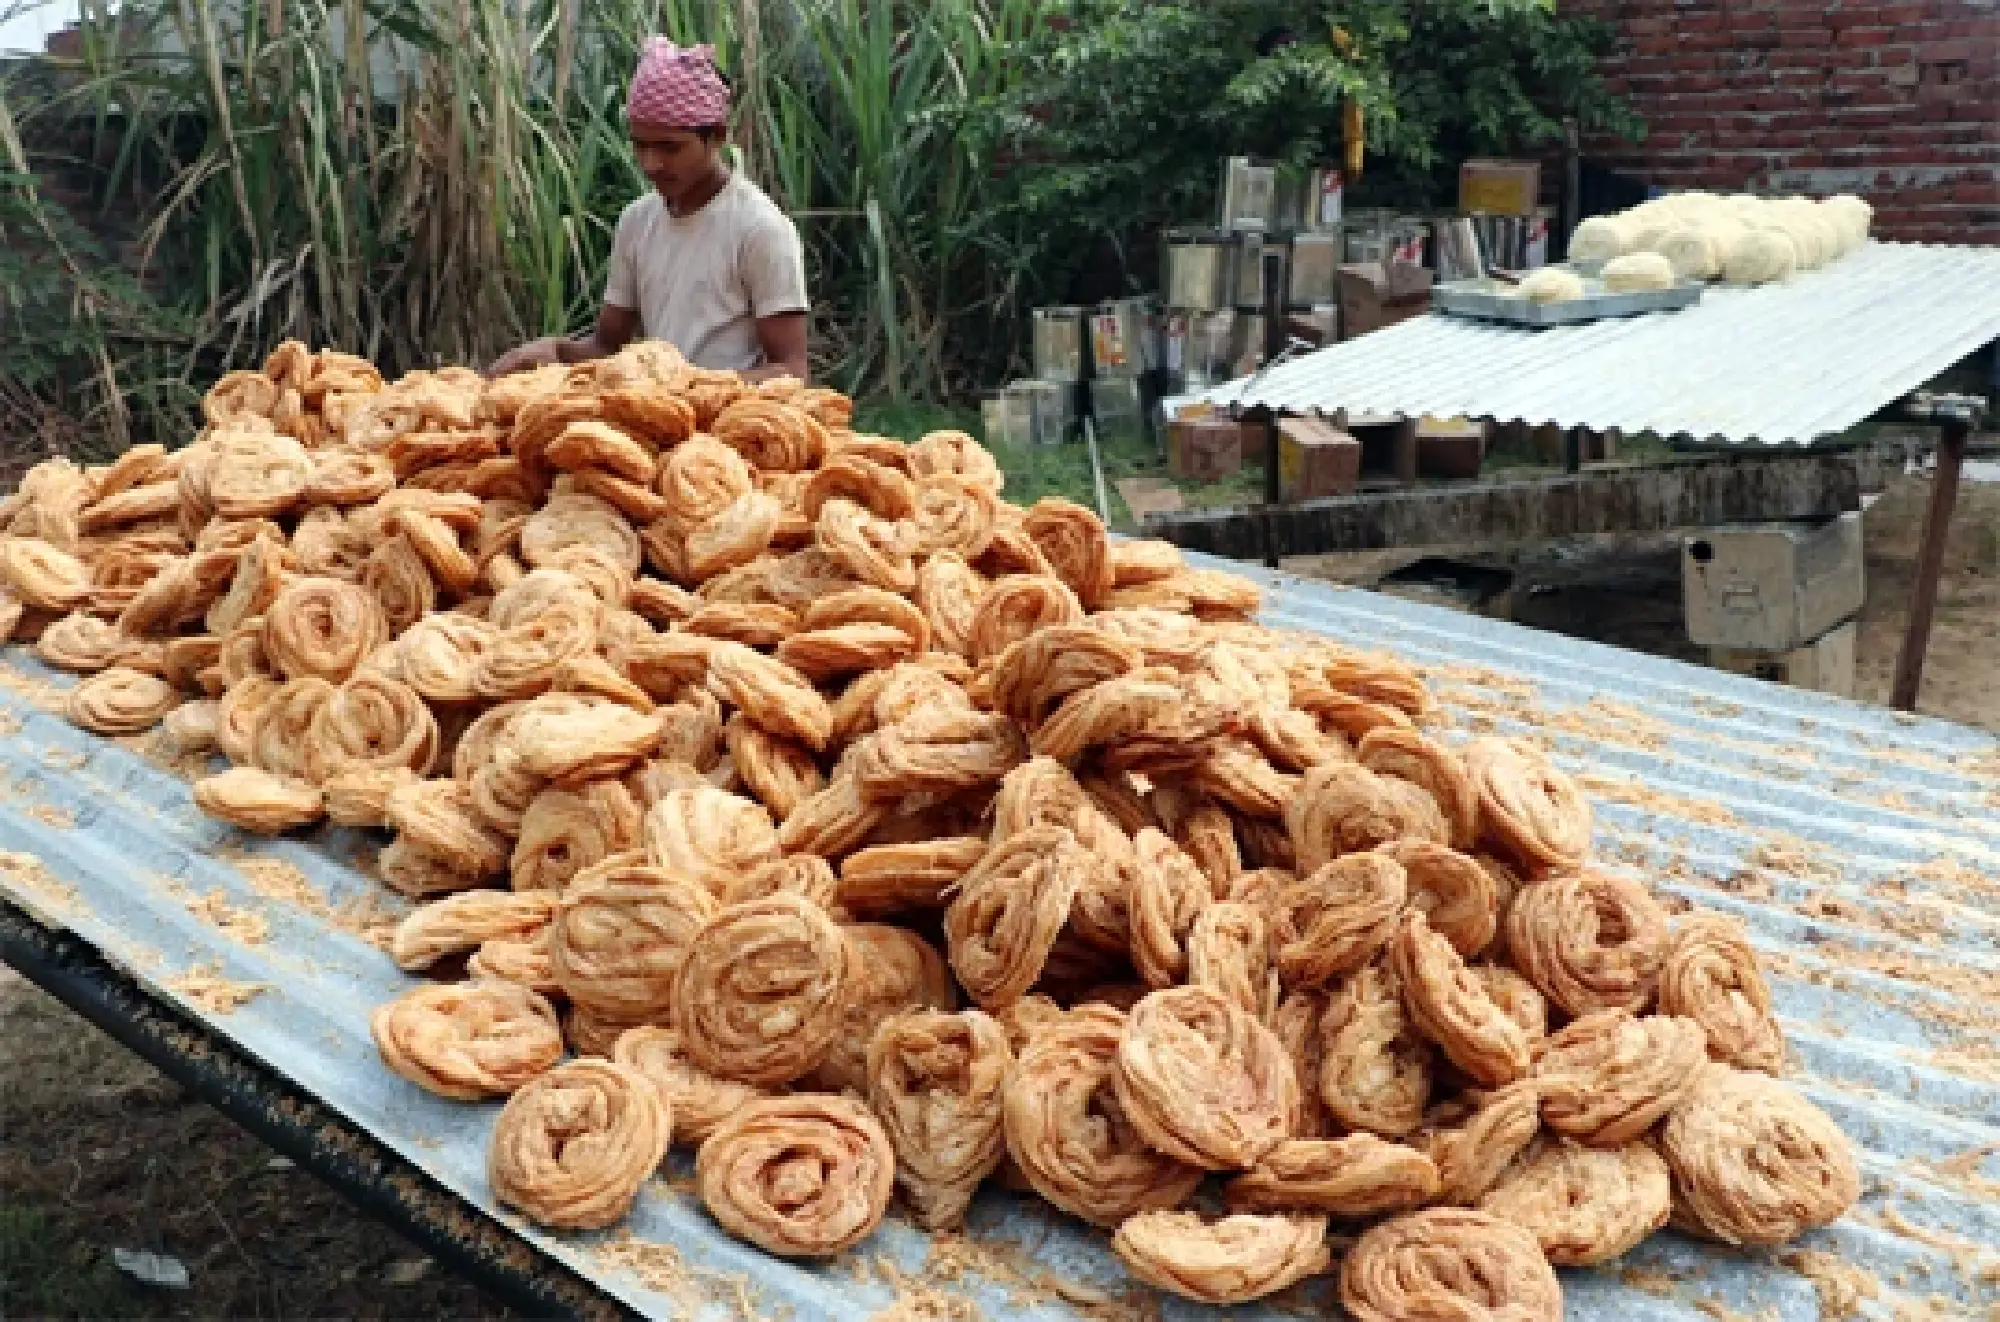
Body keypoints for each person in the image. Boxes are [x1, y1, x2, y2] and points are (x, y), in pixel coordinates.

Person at [486, 38, 809, 382]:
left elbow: (792, 371)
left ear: (716, 137)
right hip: (658, 407)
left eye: (670, 148)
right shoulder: (637, 222)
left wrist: (690, 389)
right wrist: (555, 351)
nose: (651, 163)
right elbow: (607, 347)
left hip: (729, 412)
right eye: (640, 145)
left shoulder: (760, 230)